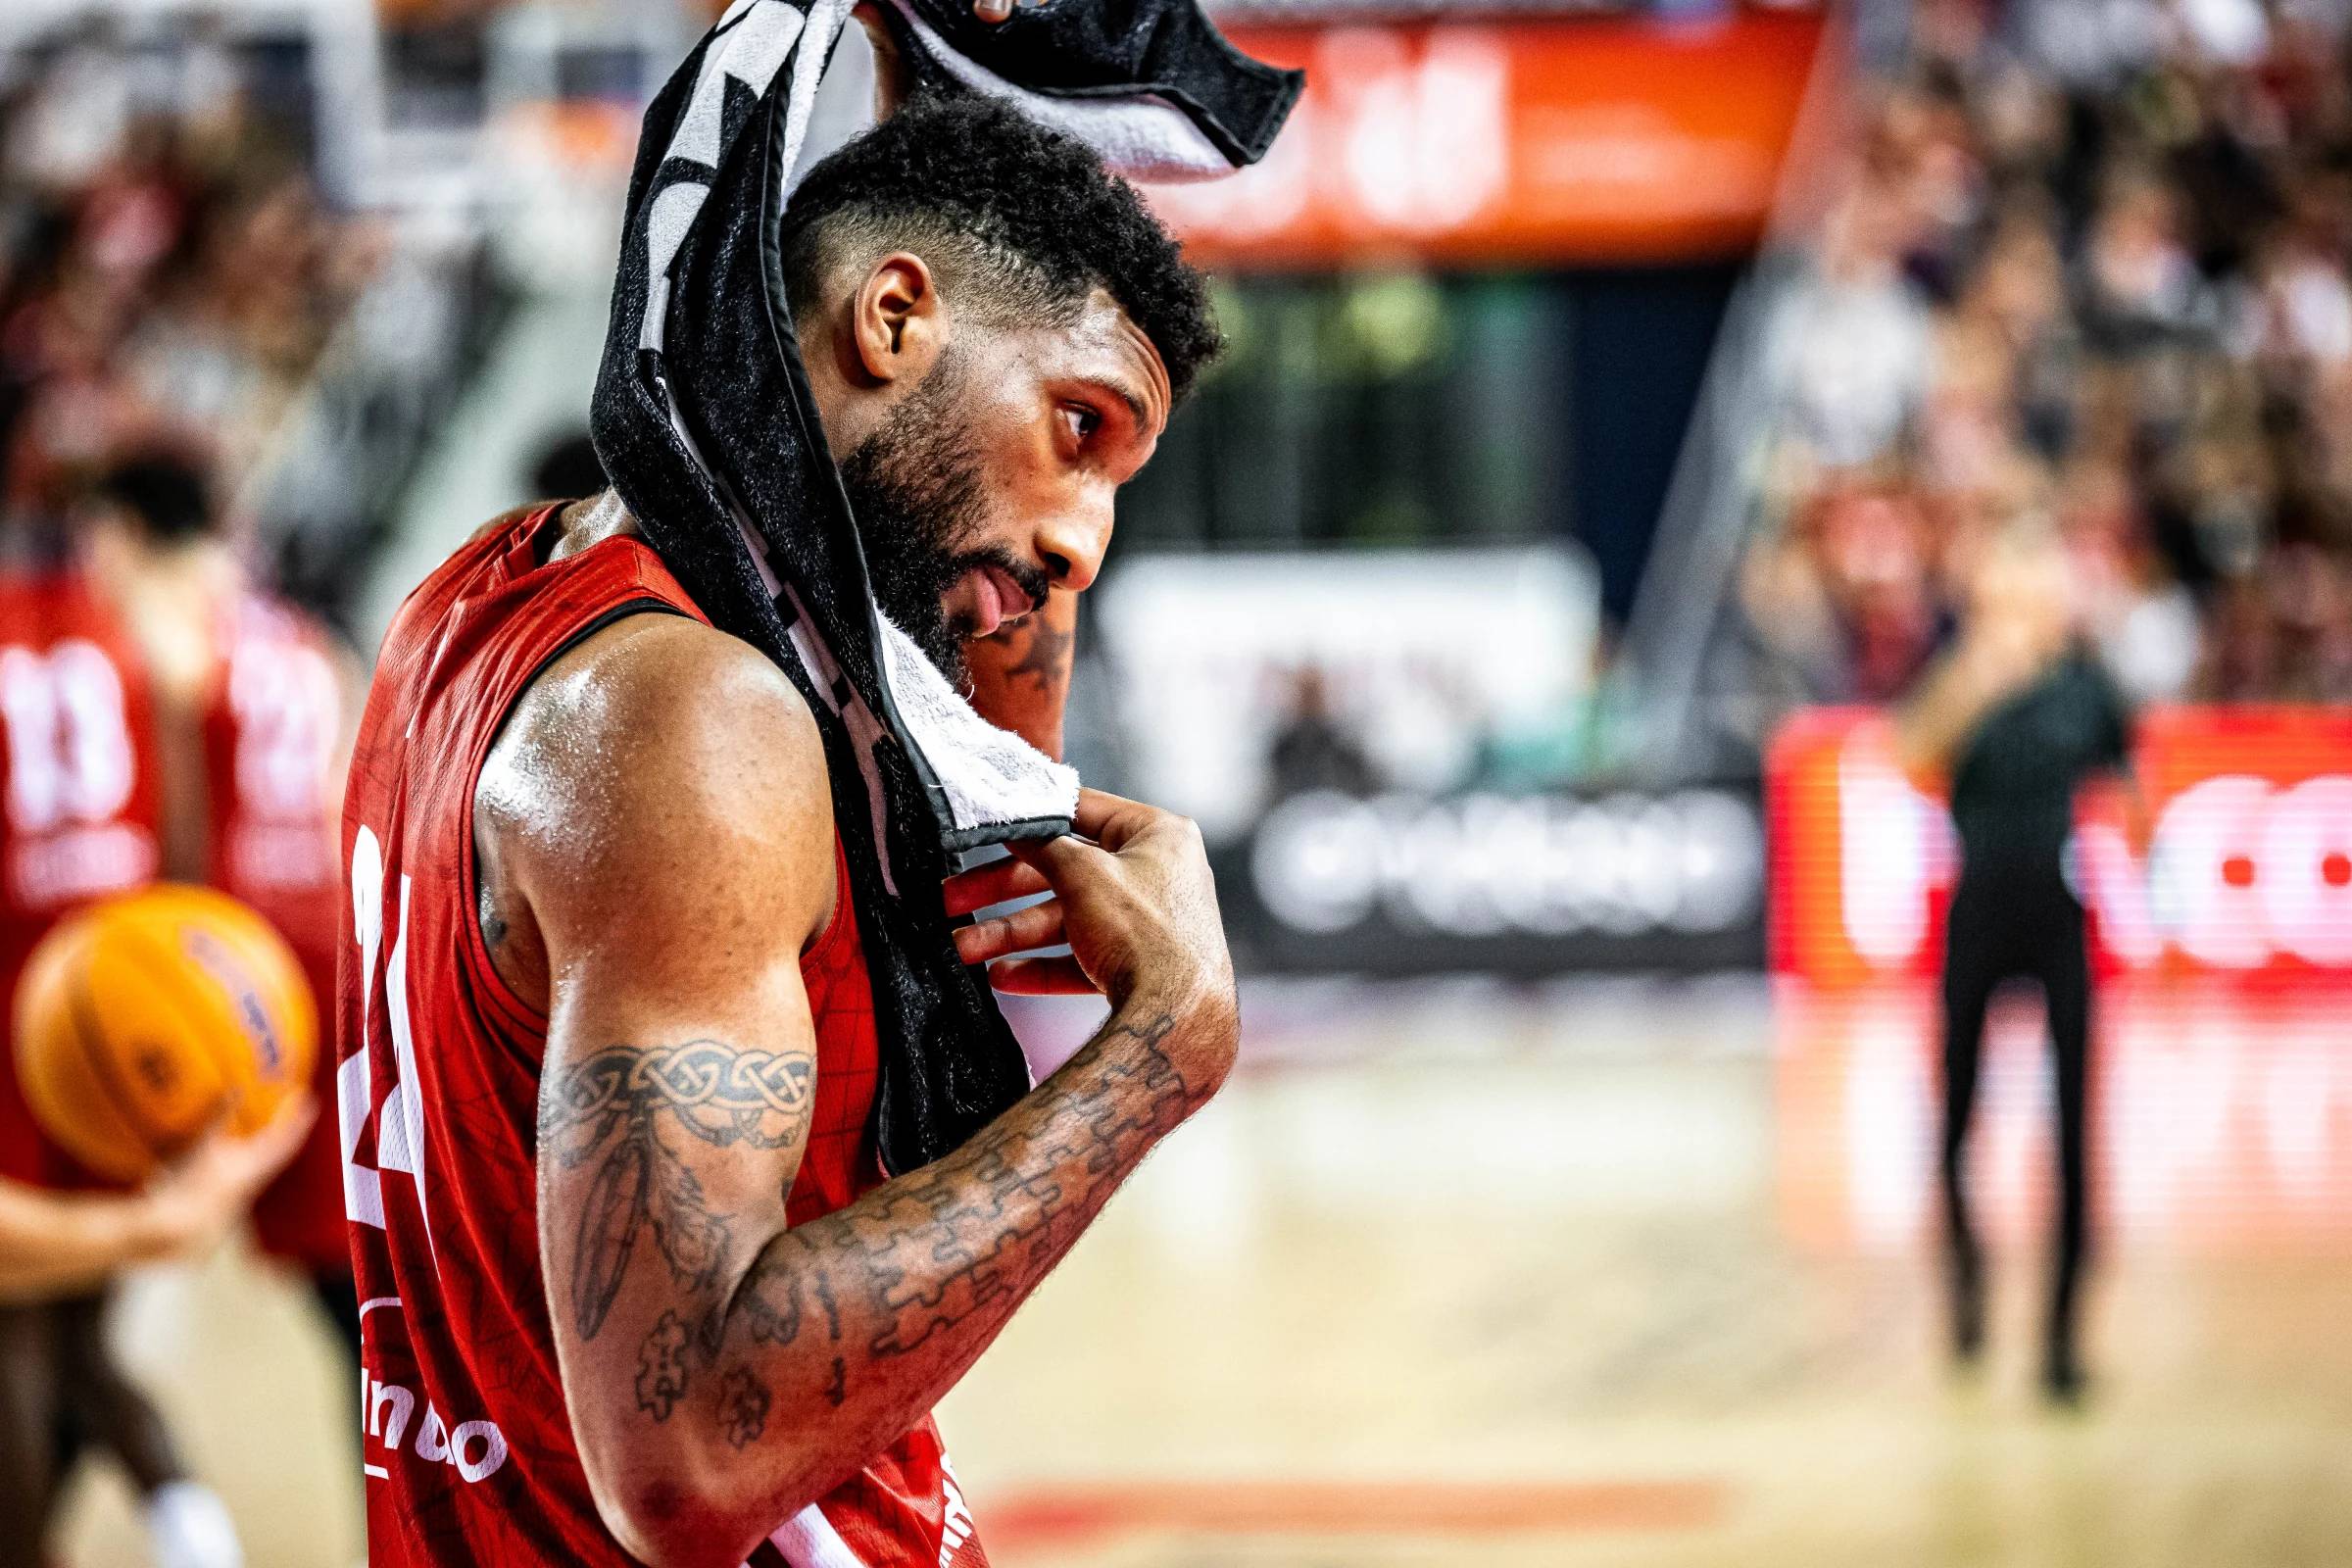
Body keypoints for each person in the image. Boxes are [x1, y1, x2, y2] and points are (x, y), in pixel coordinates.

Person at [341, 94, 1239, 1568]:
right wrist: (1163, 1053)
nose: (1084, 544)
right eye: (1079, 427)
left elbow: (969, 688)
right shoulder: (693, 723)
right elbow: (691, 1453)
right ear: (893, 317)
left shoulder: (470, 599)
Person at [0, 517, 257, 1568]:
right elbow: (188, 852)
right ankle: (191, 1521)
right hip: (121, 1009)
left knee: (25, 1343)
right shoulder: (139, 637)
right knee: (72, 1337)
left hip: (39, 1012)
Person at [79, 450, 365, 1368]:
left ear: (124, 529)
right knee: (366, 1261)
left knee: (341, 1292)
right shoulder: (304, 635)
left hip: (234, 965)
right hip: (340, 943)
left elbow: (177, 829)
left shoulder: (162, 630)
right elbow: (348, 794)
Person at [1896, 523, 2136, 1404]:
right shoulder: (1962, 675)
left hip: (2057, 915)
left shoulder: (2083, 685)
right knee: (1956, 1118)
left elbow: (2129, 785)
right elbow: (1908, 753)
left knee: (2074, 1129)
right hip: (1977, 915)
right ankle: (1966, 1278)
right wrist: (1975, 681)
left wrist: (2146, 881)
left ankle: (2061, 1340)